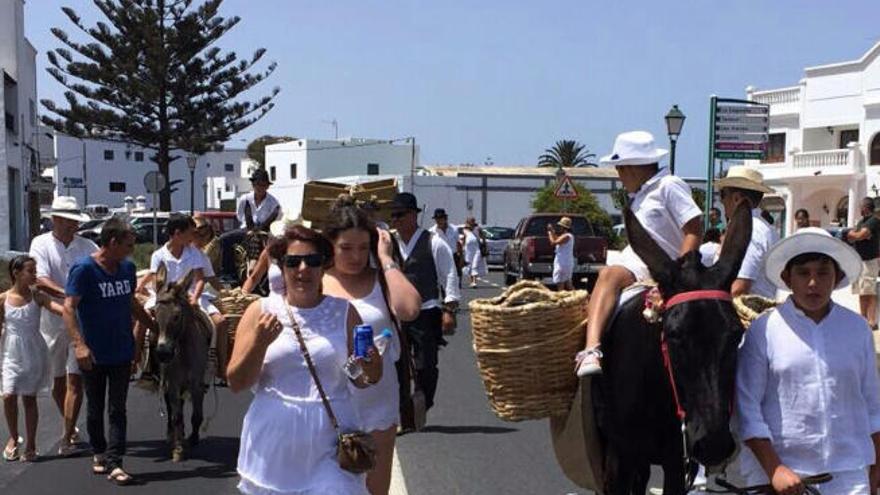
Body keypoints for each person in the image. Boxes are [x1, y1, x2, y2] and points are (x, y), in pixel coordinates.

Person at [229, 225, 381, 495]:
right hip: (275, 442)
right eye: (293, 262)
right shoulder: (260, 311)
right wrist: (259, 344)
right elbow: (237, 382)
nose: (303, 269)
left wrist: (368, 364)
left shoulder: (344, 312)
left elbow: (363, 380)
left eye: (312, 261)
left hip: (330, 440)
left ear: (323, 266)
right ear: (281, 266)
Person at [736, 227, 880, 493]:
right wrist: (775, 469)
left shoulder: (857, 329)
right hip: (784, 477)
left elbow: (872, 405)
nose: (813, 283)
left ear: (836, 278)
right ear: (787, 278)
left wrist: (876, 469)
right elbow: (747, 408)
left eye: (823, 273)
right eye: (803, 273)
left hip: (850, 474)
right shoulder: (765, 330)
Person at [577, 131, 702, 376]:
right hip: (639, 263)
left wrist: (677, 275)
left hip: (661, 267)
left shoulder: (669, 185)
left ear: (633, 167)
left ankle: (591, 349)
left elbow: (694, 229)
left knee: (609, 275)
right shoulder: (640, 196)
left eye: (620, 169)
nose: (619, 176)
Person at [322, 197, 421, 495]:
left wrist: (386, 257)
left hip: (377, 402)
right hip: (328, 406)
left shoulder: (380, 279)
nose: (355, 257)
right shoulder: (316, 281)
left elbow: (409, 309)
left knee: (375, 489)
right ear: (330, 246)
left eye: (363, 248)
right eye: (346, 248)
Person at [63, 218, 155, 485]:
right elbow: (69, 308)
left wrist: (153, 326)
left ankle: (115, 461)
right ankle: (99, 452)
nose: (130, 250)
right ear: (112, 242)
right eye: (127, 245)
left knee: (117, 408)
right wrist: (79, 344)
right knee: (95, 408)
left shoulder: (127, 269)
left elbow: (131, 303)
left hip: (121, 351)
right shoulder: (84, 270)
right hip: (92, 353)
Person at [28, 196, 98, 455]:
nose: (73, 226)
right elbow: (41, 279)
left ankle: (67, 436)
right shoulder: (41, 244)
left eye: (75, 221)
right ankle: (68, 424)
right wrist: (71, 293)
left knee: (75, 380)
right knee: (58, 380)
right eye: (68, 221)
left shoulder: (87, 245)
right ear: (55, 219)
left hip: (80, 321)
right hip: (53, 320)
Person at [389, 192, 460, 417]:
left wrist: (449, 309)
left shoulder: (433, 242)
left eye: (400, 215)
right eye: (393, 216)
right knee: (397, 365)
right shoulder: (388, 243)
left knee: (425, 365)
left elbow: (449, 274)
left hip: (426, 311)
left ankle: (423, 403)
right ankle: (402, 412)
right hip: (397, 313)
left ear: (413, 215)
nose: (396, 220)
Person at [136, 214, 229, 383]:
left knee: (221, 322)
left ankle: (221, 367)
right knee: (142, 320)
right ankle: (138, 363)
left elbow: (200, 278)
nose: (193, 236)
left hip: (191, 295)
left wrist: (195, 297)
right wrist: (145, 288)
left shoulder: (195, 254)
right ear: (178, 233)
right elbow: (154, 275)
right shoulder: (159, 254)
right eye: (190, 232)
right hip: (164, 297)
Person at [1, 256, 64, 462]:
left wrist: (72, 309)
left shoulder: (38, 297)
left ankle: (31, 444)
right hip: (11, 352)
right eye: (30, 270)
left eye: (35, 270)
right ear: (16, 273)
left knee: (29, 398)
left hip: (34, 351)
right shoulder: (3, 299)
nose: (34, 274)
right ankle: (12, 437)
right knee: (8, 395)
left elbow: (59, 309)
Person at [716, 166, 778, 299]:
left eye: (723, 194)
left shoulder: (751, 229)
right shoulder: (763, 227)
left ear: (737, 198)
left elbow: (738, 287)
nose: (721, 201)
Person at [219, 168, 281, 280]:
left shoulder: (274, 202)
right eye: (258, 184)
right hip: (246, 229)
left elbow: (274, 219)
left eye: (263, 185)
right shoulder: (245, 199)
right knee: (224, 238)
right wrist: (250, 229)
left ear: (267, 186)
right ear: (253, 185)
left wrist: (259, 230)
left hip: (265, 231)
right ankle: (228, 272)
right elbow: (240, 215)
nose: (260, 187)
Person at [241, 213, 300, 296]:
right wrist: (244, 292)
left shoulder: (306, 256)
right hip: (273, 304)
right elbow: (254, 278)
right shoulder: (270, 252)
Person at [846, 197, 880, 330]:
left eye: (861, 206)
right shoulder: (862, 222)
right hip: (859, 261)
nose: (859, 209)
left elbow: (859, 235)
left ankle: (871, 321)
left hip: (869, 261)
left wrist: (855, 235)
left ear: (866, 207)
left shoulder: (873, 221)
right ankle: (863, 319)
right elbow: (852, 235)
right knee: (861, 291)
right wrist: (854, 234)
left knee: (869, 291)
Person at [429, 209, 463, 281]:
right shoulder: (431, 231)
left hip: (453, 257)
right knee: (441, 282)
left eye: (440, 218)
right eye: (436, 219)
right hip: (439, 258)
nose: (438, 221)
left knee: (455, 281)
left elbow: (458, 243)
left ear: (445, 218)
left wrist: (461, 258)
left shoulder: (454, 229)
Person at [548, 216, 575, 291]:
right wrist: (553, 232)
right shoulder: (567, 236)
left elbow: (553, 242)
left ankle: (563, 300)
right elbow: (557, 239)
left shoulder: (567, 236)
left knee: (561, 285)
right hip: (564, 262)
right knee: (568, 284)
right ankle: (578, 298)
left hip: (563, 264)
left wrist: (550, 233)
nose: (559, 228)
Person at [461, 217, 488, 288]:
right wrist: (462, 249)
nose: (471, 222)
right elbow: (464, 239)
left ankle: (474, 281)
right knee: (469, 265)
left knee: (475, 265)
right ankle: (471, 281)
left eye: (473, 221)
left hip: (477, 249)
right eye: (470, 221)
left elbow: (483, 237)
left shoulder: (478, 229)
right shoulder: (465, 230)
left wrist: (485, 246)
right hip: (468, 250)